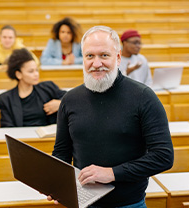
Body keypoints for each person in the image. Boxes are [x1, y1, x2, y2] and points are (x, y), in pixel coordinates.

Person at [49, 26, 174, 207]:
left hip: (129, 204)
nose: (96, 63)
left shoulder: (144, 97)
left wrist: (112, 173)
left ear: (117, 57)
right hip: (82, 202)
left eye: (104, 55)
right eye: (89, 56)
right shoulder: (70, 100)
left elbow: (163, 156)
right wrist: (53, 181)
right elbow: (62, 152)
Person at [0, 48, 67, 127]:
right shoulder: (6, 99)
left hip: (48, 138)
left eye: (36, 70)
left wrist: (60, 104)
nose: (36, 74)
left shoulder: (48, 87)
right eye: (31, 71)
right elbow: (7, 127)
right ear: (18, 74)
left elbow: (71, 99)